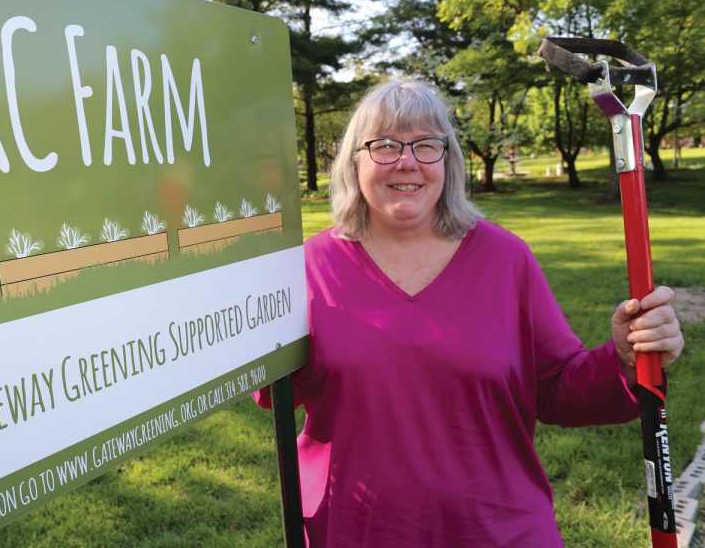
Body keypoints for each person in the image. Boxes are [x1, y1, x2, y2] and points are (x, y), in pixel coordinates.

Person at [255, 79, 684, 546]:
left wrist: (625, 356)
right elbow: (273, 392)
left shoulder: (506, 259)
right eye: (384, 145)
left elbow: (559, 390)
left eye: (426, 145)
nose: (407, 161)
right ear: (354, 161)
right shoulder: (307, 266)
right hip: (356, 530)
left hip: (498, 530)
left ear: (449, 160)